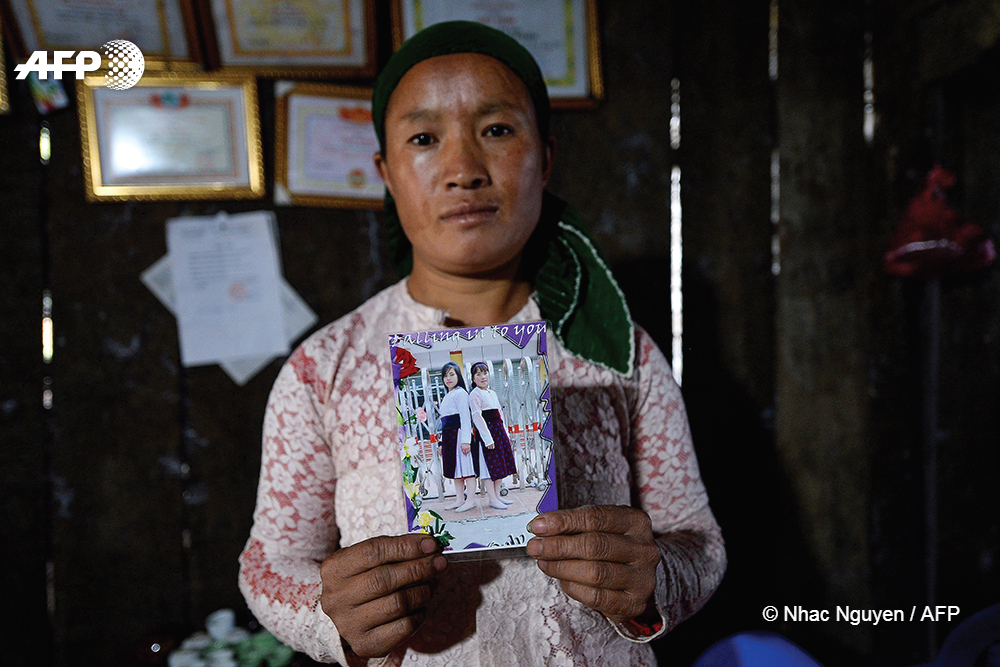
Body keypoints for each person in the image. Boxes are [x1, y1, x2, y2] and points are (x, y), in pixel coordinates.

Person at [239, 20, 725, 667]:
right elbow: (270, 563)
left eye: (497, 130)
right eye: (424, 138)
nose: (463, 169)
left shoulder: (617, 352)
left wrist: (654, 575)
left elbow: (701, 540)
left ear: (545, 157)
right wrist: (333, 616)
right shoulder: (324, 368)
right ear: (386, 171)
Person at [468, 361, 518, 510]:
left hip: (499, 430)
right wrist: (487, 438)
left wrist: (505, 433)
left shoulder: (492, 393)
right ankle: (492, 498)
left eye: (485, 373)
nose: (483, 377)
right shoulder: (474, 394)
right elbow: (477, 417)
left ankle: (497, 496)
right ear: (473, 378)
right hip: (488, 432)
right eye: (478, 374)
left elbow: (500, 414)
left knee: (500, 464)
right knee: (489, 467)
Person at [435, 361, 477, 512]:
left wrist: (466, 441)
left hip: (459, 435)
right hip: (448, 436)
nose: (448, 379)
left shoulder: (461, 393)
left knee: (467, 469)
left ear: (458, 375)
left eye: (452, 374)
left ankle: (471, 500)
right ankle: (459, 499)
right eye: (445, 376)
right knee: (455, 471)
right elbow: (443, 422)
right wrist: (441, 443)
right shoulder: (448, 396)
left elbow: (466, 418)